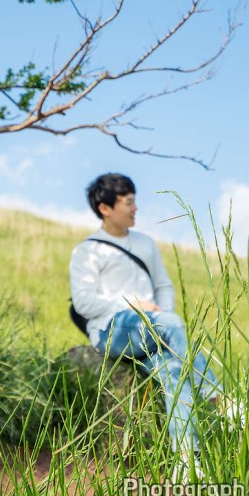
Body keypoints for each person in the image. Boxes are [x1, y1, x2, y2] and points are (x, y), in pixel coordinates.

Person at [69, 173, 221, 465]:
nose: (135, 208)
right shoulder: (87, 251)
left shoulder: (145, 243)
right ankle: (220, 401)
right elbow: (84, 302)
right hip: (113, 330)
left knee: (174, 372)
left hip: (153, 331)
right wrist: (135, 304)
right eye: (128, 203)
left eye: (134, 201)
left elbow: (163, 285)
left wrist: (159, 313)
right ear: (105, 208)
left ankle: (187, 463)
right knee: (173, 323)